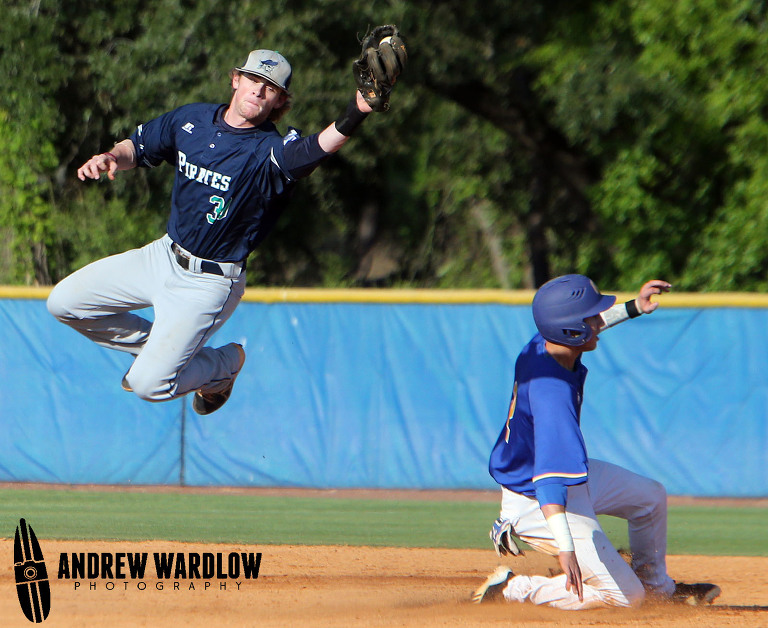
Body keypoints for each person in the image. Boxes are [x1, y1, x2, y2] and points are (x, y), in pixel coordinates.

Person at [47, 38, 401, 415]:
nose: (259, 90)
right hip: (161, 256)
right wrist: (110, 156)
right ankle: (162, 356)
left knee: (149, 385)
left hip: (208, 283)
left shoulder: (269, 153)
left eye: (271, 88)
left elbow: (317, 147)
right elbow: (139, 146)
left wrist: (357, 111)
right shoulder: (192, 120)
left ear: (280, 101)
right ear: (235, 80)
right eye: (253, 79)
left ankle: (222, 368)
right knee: (65, 304)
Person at [471, 274, 721, 610]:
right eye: (590, 317)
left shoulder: (544, 343)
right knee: (624, 597)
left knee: (650, 498)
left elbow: (587, 326)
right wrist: (566, 546)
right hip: (537, 499)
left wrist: (634, 308)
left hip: (566, 480)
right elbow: (549, 482)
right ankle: (514, 588)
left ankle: (657, 589)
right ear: (571, 331)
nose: (597, 320)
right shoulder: (551, 394)